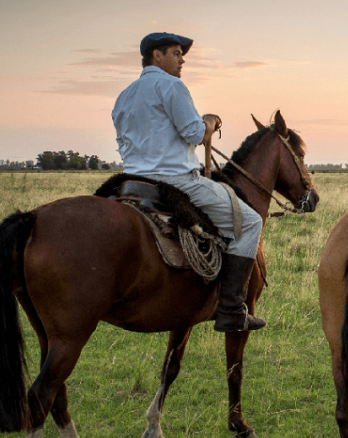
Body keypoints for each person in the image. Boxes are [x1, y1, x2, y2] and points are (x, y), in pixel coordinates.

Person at [112, 32, 266, 332]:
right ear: (157, 56)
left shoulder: (125, 95)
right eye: (176, 52)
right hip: (176, 181)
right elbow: (196, 135)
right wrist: (210, 121)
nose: (182, 60)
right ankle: (232, 309)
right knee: (249, 222)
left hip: (131, 182)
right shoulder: (171, 86)